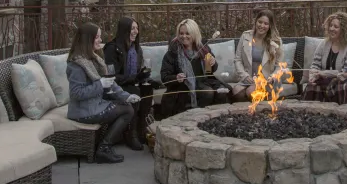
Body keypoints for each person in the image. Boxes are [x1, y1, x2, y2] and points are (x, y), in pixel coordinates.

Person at [66, 21, 140, 163]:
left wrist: (127, 96)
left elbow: (111, 83)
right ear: (88, 39)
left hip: (94, 105)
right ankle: (104, 149)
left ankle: (105, 147)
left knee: (126, 105)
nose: (101, 40)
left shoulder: (93, 59)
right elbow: (76, 93)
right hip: (83, 112)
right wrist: (100, 84)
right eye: (97, 37)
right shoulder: (76, 64)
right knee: (127, 111)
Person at [159, 19, 229, 117]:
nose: (184, 36)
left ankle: (216, 117)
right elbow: (164, 76)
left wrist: (212, 63)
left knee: (222, 91)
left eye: (188, 33)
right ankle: (199, 118)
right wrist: (176, 77)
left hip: (203, 81)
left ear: (194, 34)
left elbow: (209, 71)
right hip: (184, 85)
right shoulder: (173, 52)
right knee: (207, 92)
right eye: (181, 33)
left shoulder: (203, 48)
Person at [102, 17, 154, 150]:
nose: (135, 31)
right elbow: (111, 77)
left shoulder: (136, 48)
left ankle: (142, 129)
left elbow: (136, 74)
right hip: (114, 87)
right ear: (124, 30)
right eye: (132, 28)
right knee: (135, 92)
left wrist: (144, 76)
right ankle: (131, 135)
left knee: (148, 88)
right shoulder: (112, 48)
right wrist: (134, 78)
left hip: (130, 82)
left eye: (137, 28)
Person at [302, 11, 347, 104]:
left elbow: (345, 73)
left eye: (336, 27)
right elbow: (315, 65)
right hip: (325, 80)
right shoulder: (323, 44)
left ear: (344, 30)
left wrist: (323, 73)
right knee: (312, 86)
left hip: (344, 81)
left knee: (343, 87)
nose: (331, 28)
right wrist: (313, 76)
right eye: (330, 25)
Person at [230, 9, 284, 102]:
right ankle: (247, 113)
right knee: (236, 91)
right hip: (248, 79)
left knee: (251, 91)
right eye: (260, 22)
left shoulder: (276, 41)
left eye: (266, 24)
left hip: (266, 80)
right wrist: (245, 76)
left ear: (270, 26)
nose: (262, 26)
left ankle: (266, 103)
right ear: (256, 22)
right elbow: (237, 59)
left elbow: (280, 66)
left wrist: (273, 77)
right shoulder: (245, 36)